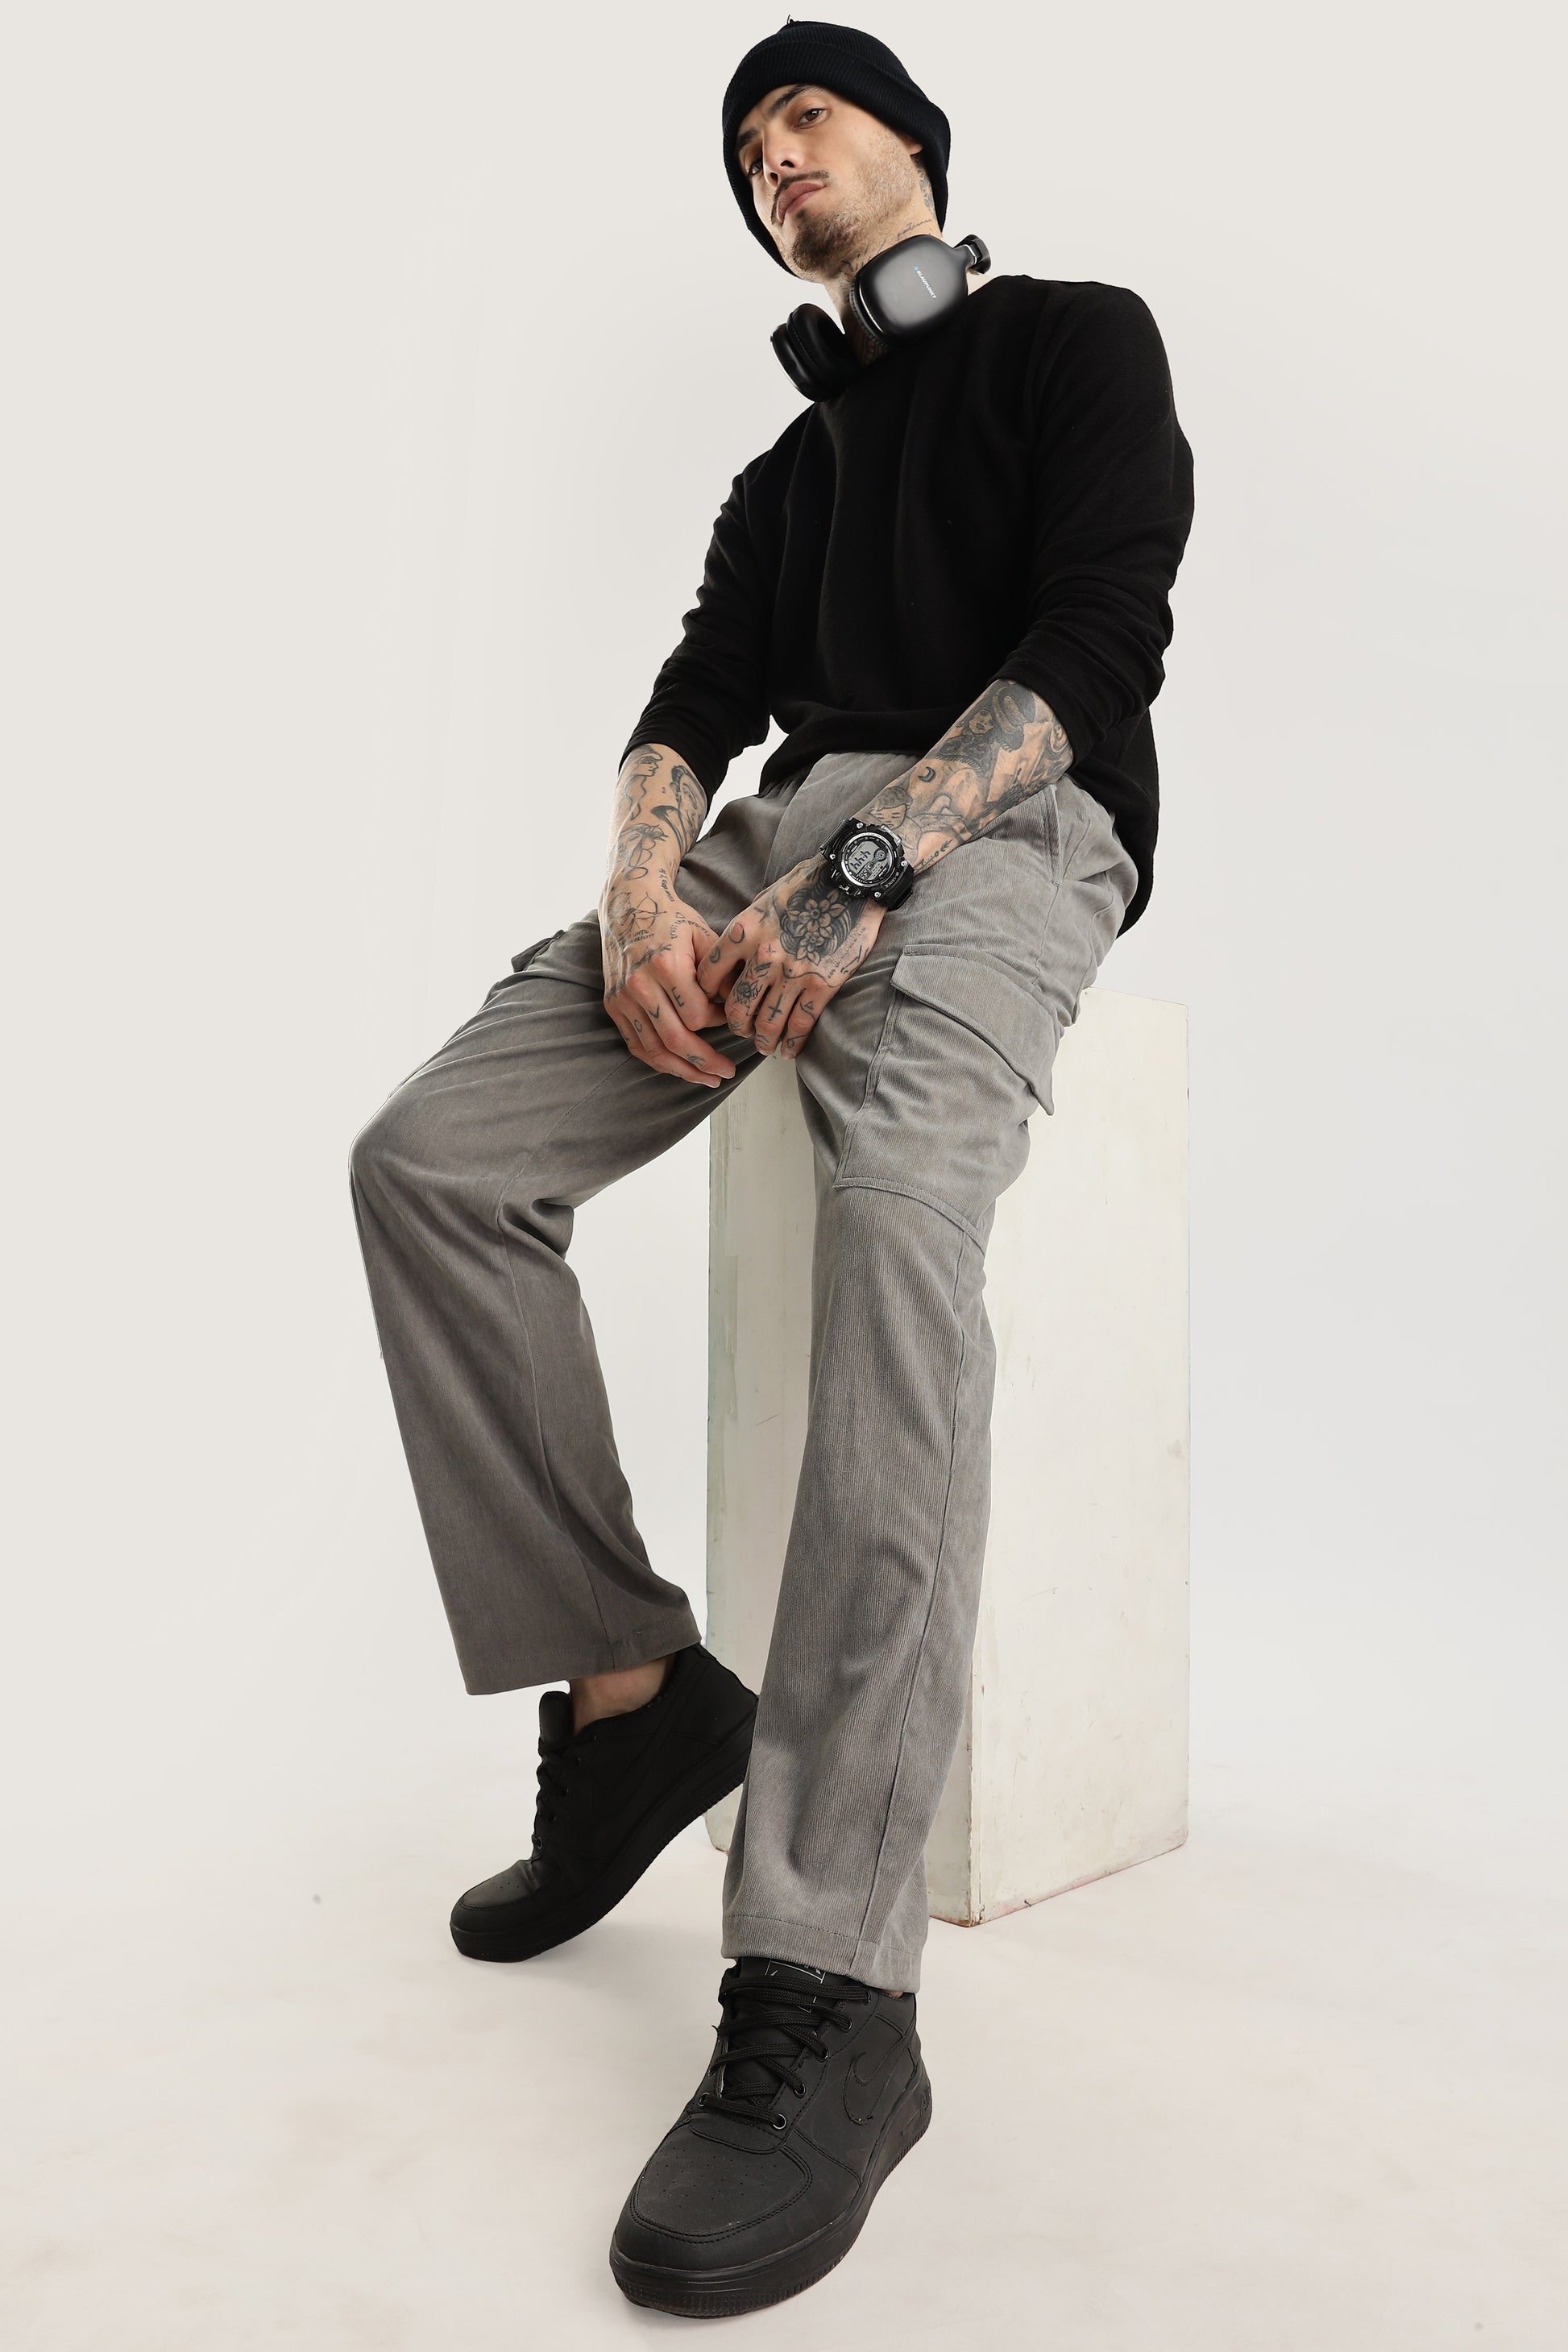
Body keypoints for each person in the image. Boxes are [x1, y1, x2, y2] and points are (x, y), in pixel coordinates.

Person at [349, 16, 1193, 2318]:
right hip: (771, 835)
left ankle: (832, 1988)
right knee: (431, 1163)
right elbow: (693, 698)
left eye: (800, 116)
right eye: (743, 148)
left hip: (1008, 830)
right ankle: (635, 1698)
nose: (771, 160)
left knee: (900, 1234)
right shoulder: (785, 466)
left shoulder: (1075, 341)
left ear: (908, 139)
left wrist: (880, 865)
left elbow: (1099, 636)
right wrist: (648, 886)